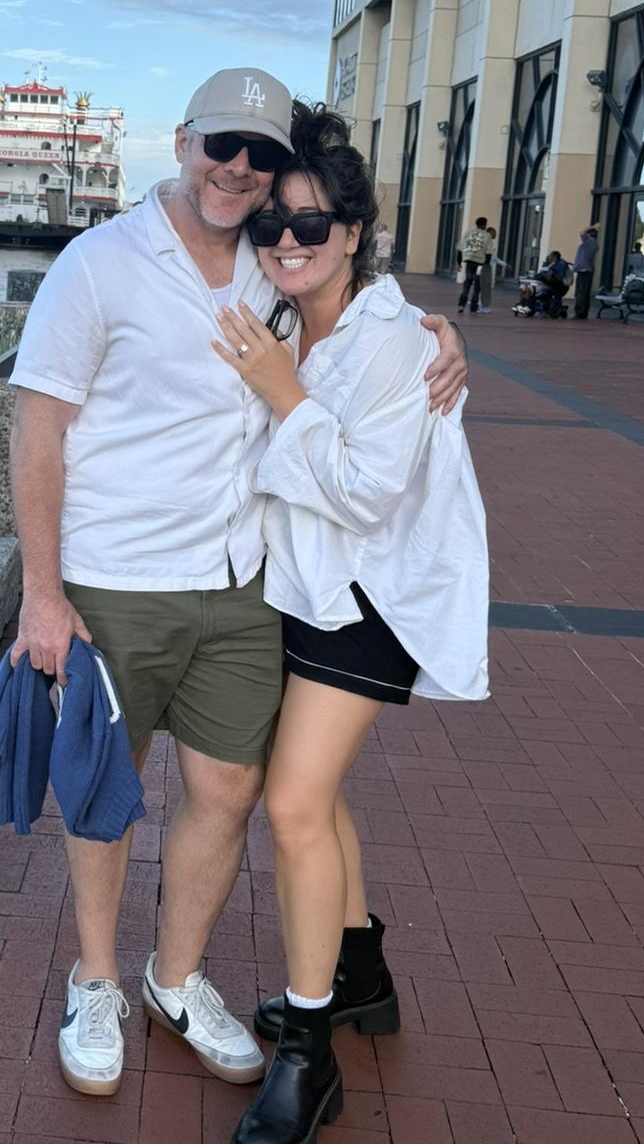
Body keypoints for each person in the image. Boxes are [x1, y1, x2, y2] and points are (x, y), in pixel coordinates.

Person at [8, 69, 469, 1099]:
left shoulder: (273, 264)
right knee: (104, 791)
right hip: (116, 579)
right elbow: (36, 434)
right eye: (224, 144)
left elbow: (355, 303)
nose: (240, 169)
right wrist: (41, 593)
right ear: (183, 142)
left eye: (261, 154)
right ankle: (96, 981)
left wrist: (441, 335)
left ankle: (175, 978)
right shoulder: (98, 266)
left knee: (227, 793)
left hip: (245, 582)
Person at [210, 106, 489, 1144]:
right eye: (272, 223)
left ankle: (307, 1052)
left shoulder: (395, 343)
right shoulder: (281, 313)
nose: (288, 240)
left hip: (370, 595)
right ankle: (360, 972)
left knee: (289, 805)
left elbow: (368, 496)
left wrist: (286, 397)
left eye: (312, 224)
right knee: (316, 796)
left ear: (355, 232)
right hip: (299, 584)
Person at [456, 217, 491, 312]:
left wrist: (459, 262)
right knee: (477, 285)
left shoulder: (468, 233)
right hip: (480, 262)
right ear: (484, 225)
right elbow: (488, 253)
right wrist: (486, 265)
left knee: (467, 283)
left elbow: (460, 248)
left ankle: (461, 304)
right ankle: (473, 306)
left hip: (469, 261)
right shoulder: (487, 236)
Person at [572, 226, 599, 319]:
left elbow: (582, 232)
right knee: (584, 293)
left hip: (584, 270)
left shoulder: (589, 243)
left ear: (589, 235)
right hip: (586, 270)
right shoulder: (592, 244)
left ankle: (579, 312)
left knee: (581, 292)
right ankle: (583, 312)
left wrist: (593, 226)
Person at [478, 225, 497, 312]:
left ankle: (482, 304)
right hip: (485, 265)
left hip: (483, 265)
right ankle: (483, 305)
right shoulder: (487, 242)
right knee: (485, 285)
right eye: (493, 233)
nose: (495, 234)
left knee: (483, 285)